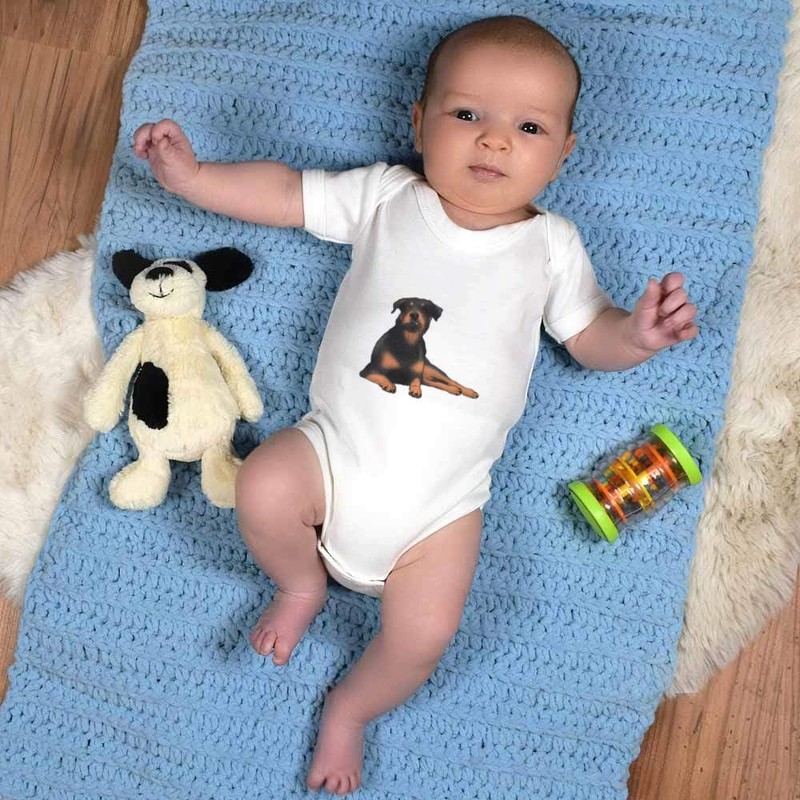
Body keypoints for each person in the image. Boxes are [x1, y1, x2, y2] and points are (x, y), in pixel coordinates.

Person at [132, 14, 698, 796]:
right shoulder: (388, 196)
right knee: (262, 485)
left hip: (440, 515)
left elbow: (588, 337)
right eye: (467, 113)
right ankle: (300, 584)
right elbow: (288, 193)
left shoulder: (552, 247)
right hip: (331, 456)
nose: (494, 141)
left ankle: (352, 708)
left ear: (565, 152)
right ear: (419, 121)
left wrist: (635, 335)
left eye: (529, 127)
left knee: (427, 632)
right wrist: (195, 179)